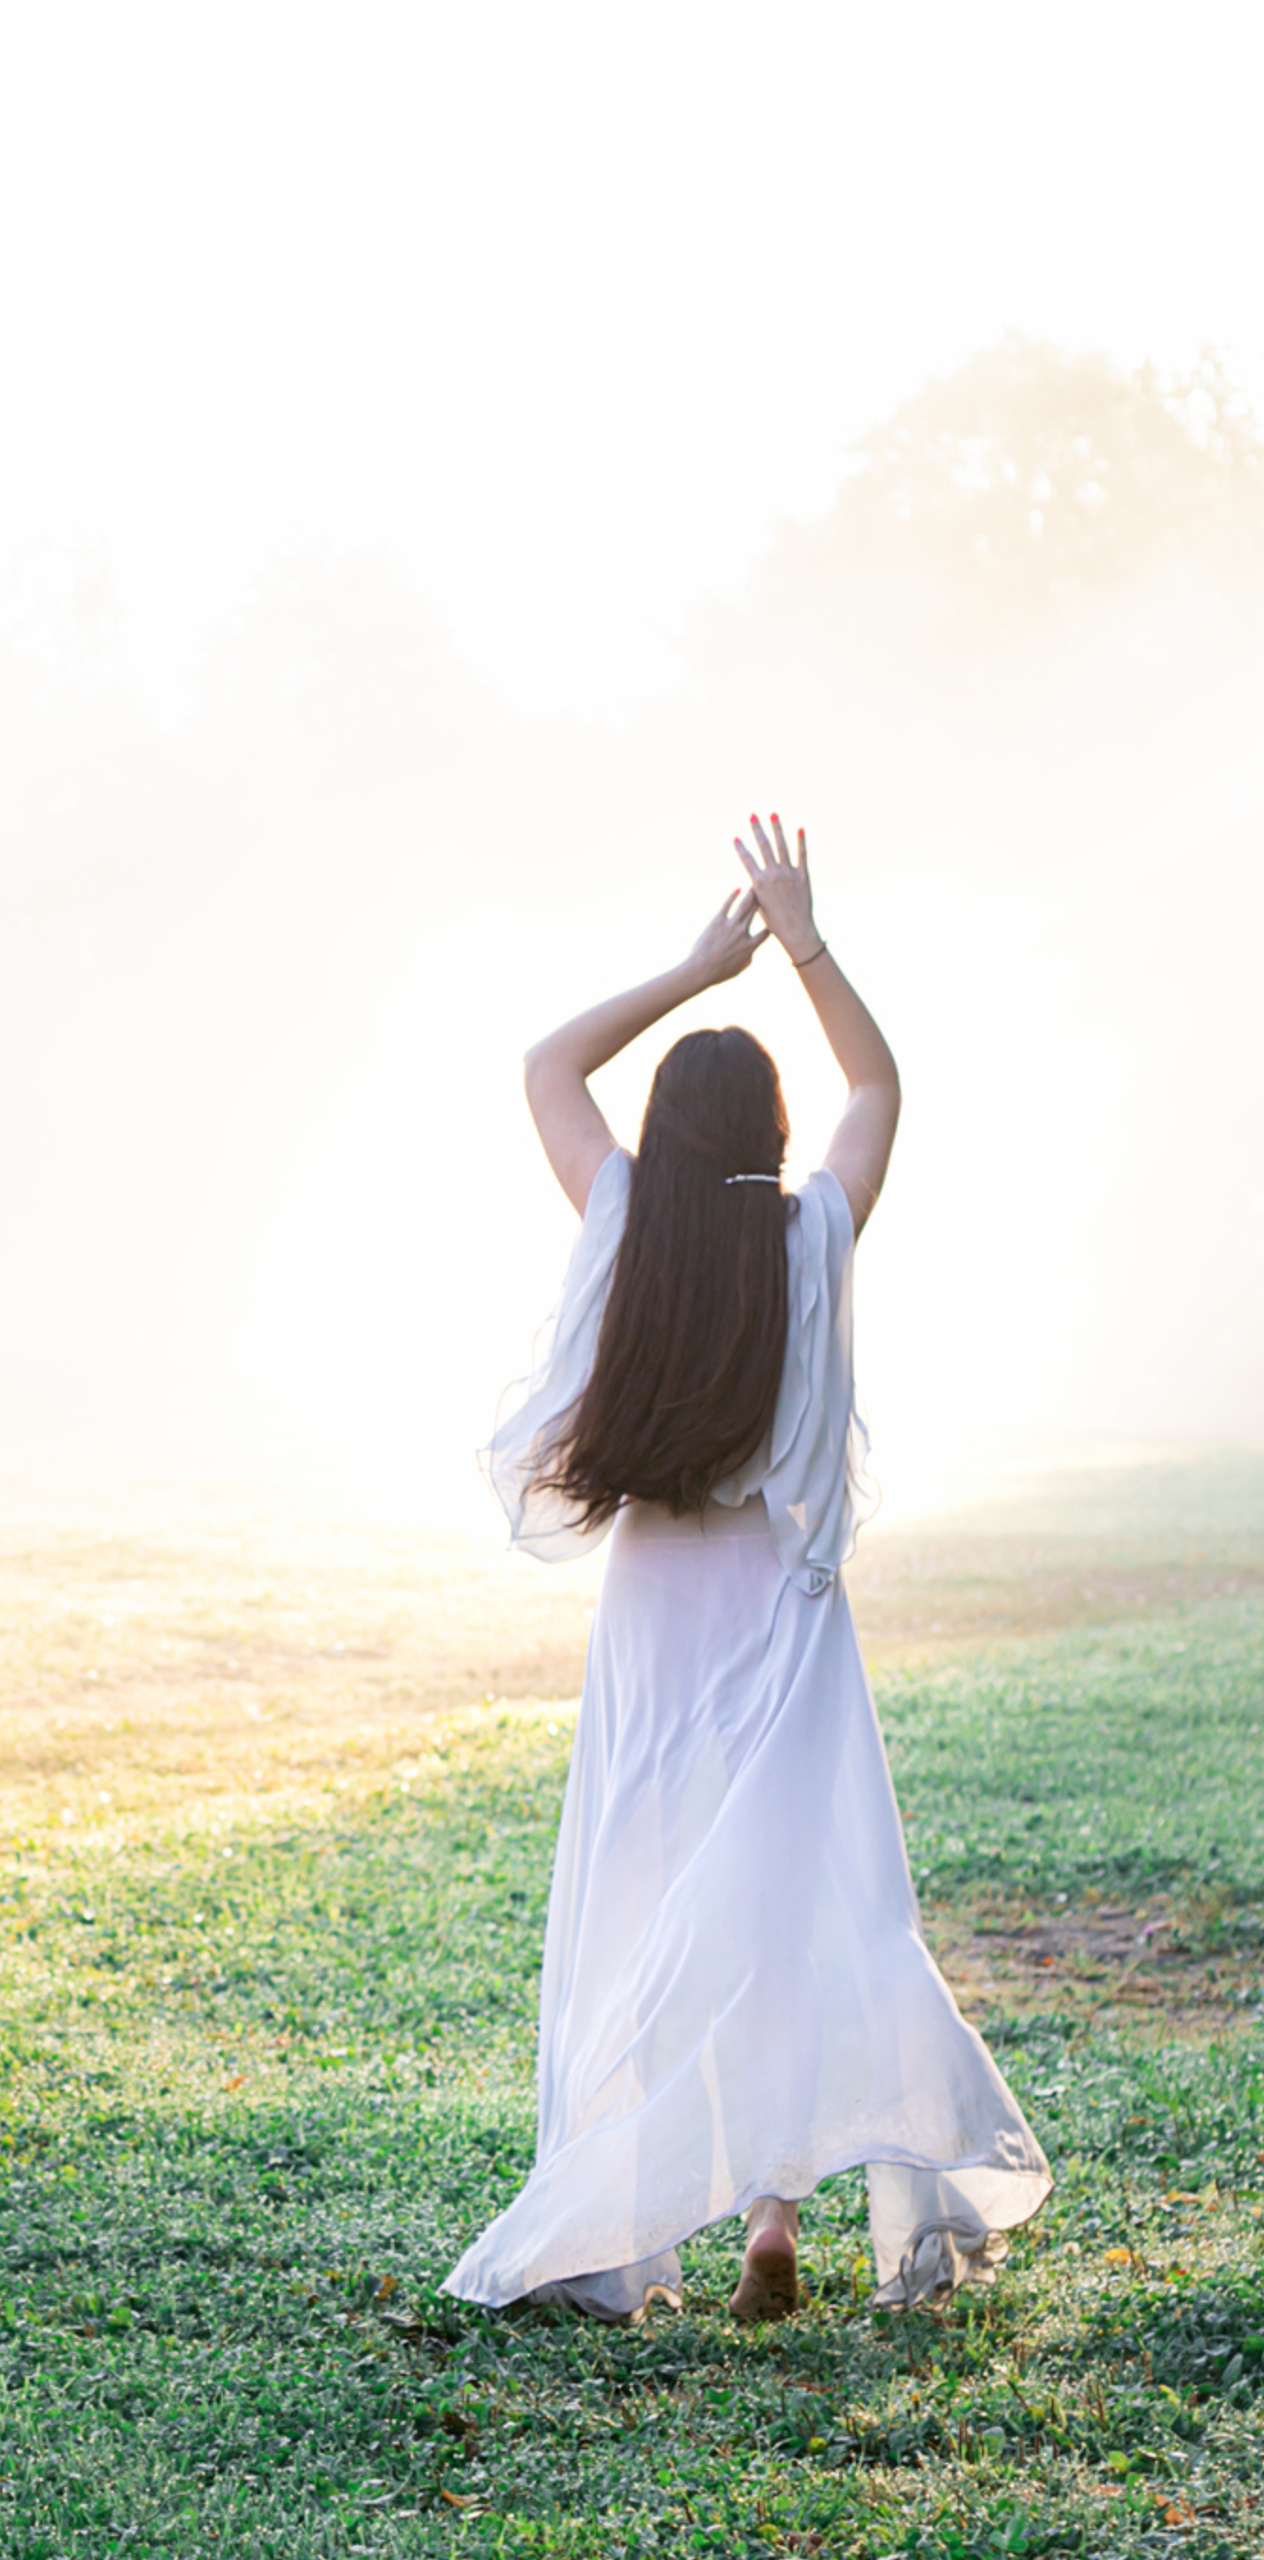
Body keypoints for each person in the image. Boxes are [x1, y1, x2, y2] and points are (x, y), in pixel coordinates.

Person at [445, 815, 1049, 2325]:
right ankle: (772, 2212)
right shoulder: (812, 1237)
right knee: (793, 1903)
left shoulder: (625, 1222)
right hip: (781, 1613)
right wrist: (801, 939)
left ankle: (620, 2227)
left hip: (657, 1605)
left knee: (644, 1905)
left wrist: (694, 964)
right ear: (771, 1140)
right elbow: (881, 1085)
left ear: (669, 1132)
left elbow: (543, 1067)